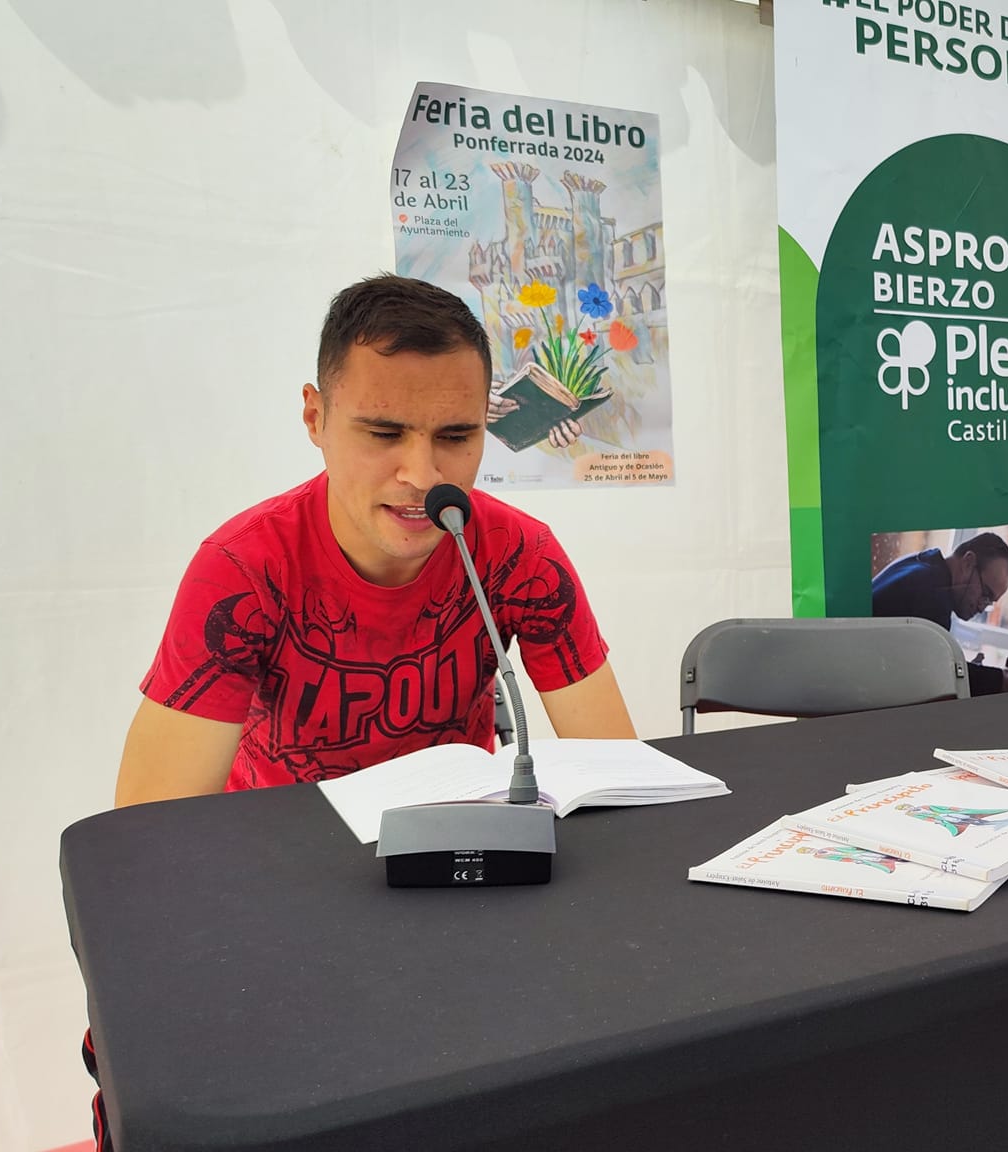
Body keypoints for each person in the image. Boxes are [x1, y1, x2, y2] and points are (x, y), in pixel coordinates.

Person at [89, 274, 635, 1149]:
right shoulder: (245, 568)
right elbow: (147, 837)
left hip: (460, 886)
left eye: (456, 436)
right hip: (288, 900)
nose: (422, 476)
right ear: (314, 419)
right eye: (383, 433)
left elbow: (615, 771)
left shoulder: (519, 555)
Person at [870, 532, 1008, 627]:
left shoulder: (925, 563)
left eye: (989, 602)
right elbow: (936, 669)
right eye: (985, 594)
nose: (981, 608)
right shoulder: (933, 594)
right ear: (968, 563)